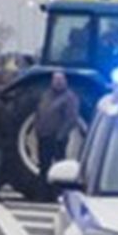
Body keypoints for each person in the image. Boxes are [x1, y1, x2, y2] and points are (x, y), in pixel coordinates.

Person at [35, 72, 80, 201]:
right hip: (44, 137)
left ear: (65, 81)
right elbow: (38, 112)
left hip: (58, 138)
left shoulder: (69, 97)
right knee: (44, 166)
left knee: (59, 168)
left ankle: (58, 195)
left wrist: (60, 136)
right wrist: (37, 129)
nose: (58, 82)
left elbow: (71, 118)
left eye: (60, 79)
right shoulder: (45, 95)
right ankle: (42, 195)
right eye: (55, 79)